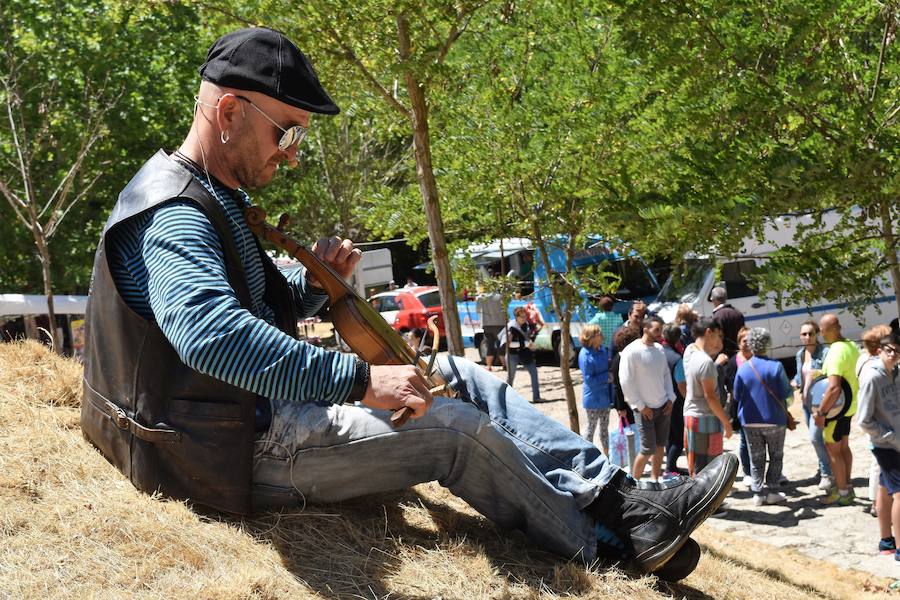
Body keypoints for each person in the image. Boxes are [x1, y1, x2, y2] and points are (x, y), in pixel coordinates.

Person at [79, 27, 737, 580]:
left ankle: (628, 504)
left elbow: (234, 312)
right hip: (230, 452)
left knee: (464, 376)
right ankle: (607, 553)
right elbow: (212, 339)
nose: (293, 155)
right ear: (228, 114)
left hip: (240, 420)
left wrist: (311, 288)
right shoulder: (174, 217)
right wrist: (361, 380)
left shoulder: (211, 196)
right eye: (288, 133)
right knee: (454, 430)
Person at [732, 328, 792, 506]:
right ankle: (773, 490)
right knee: (776, 455)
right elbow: (785, 393)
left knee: (755, 458)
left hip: (750, 421)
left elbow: (736, 396)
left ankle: (757, 493)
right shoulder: (776, 367)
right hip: (774, 420)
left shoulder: (743, 368)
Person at [857, 331, 900, 559]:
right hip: (885, 445)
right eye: (889, 350)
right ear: (880, 350)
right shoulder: (873, 377)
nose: (893, 355)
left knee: (884, 490)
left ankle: (886, 541)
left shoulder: (897, 373)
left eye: (897, 351)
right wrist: (891, 436)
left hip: (896, 443)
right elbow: (863, 420)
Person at [619, 316, 676, 482]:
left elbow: (666, 374)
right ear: (645, 329)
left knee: (660, 446)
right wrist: (640, 405)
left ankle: (655, 480)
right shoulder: (632, 351)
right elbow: (625, 380)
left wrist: (670, 398)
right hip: (644, 409)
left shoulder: (659, 349)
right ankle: (632, 485)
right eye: (657, 329)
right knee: (647, 449)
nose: (660, 333)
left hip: (663, 406)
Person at [814, 314, 860, 506]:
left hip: (836, 410)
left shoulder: (835, 351)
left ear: (832, 329)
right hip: (850, 407)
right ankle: (847, 486)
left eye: (822, 330)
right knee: (844, 447)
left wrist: (821, 413)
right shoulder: (851, 345)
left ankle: (841, 492)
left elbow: (834, 387)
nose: (821, 334)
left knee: (833, 450)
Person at [683, 318, 734, 476]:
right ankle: (708, 500)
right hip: (705, 419)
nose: (719, 340)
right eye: (718, 335)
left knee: (697, 466)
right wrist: (726, 422)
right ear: (708, 332)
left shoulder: (689, 351)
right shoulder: (705, 362)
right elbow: (710, 397)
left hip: (692, 416)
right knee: (710, 469)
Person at [790, 320, 832, 492]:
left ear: (817, 334)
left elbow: (830, 375)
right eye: (804, 334)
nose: (807, 337)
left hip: (820, 403)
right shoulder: (800, 354)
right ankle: (824, 468)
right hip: (806, 403)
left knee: (816, 438)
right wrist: (795, 381)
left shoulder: (825, 352)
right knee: (818, 439)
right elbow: (800, 376)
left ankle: (826, 474)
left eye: (811, 334)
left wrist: (820, 374)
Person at [858, 324, 893, 515]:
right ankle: (876, 503)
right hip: (879, 422)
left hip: (879, 421)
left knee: (877, 464)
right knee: (878, 465)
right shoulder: (873, 369)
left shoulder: (863, 360)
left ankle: (876, 502)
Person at [722, 326, 753, 484]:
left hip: (758, 407)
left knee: (760, 441)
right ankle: (747, 472)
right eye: (743, 340)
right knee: (744, 441)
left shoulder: (758, 358)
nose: (746, 343)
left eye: (749, 340)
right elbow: (731, 386)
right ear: (738, 342)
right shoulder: (734, 362)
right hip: (741, 407)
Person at [579, 324, 611, 454]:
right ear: (591, 337)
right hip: (592, 398)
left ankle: (607, 457)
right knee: (590, 429)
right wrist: (606, 377)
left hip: (605, 397)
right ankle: (586, 457)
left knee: (604, 430)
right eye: (598, 333)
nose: (601, 334)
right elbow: (589, 380)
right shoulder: (585, 355)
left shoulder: (602, 350)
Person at [499, 306, 543, 403]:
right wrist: (526, 344)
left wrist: (531, 343)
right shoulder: (511, 327)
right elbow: (508, 344)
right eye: (522, 316)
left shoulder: (526, 325)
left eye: (525, 316)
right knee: (510, 377)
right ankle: (506, 399)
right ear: (516, 317)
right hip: (512, 354)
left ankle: (536, 397)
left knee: (534, 373)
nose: (524, 318)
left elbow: (527, 337)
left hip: (524, 353)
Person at [661, 322, 688, 476]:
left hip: (659, 399)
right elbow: (681, 385)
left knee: (668, 436)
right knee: (677, 437)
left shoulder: (657, 352)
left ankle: (671, 467)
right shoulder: (677, 358)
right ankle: (670, 468)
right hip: (676, 402)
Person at [710, 287, 745, 358]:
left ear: (714, 299)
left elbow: (718, 338)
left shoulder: (717, 316)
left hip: (725, 357)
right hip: (740, 354)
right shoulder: (738, 313)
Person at [475, 291, 505, 371]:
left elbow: (478, 310)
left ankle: (489, 366)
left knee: (489, 346)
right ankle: (504, 365)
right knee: (501, 345)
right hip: (500, 324)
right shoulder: (501, 296)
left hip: (487, 324)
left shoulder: (481, 297)